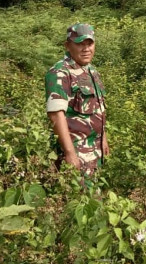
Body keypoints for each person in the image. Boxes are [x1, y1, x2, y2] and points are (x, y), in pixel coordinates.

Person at [45, 23, 109, 175]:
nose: (86, 49)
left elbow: (97, 109)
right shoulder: (60, 72)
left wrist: (103, 139)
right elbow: (55, 114)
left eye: (89, 43)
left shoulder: (91, 70)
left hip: (94, 151)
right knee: (77, 197)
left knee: (94, 197)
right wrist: (69, 153)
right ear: (68, 45)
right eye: (80, 44)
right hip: (76, 154)